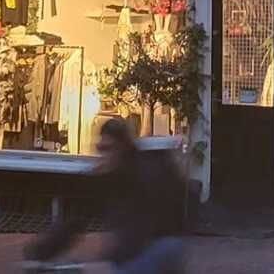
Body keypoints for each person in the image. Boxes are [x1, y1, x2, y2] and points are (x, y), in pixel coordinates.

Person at [26, 116, 186, 272]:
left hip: (160, 244)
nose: (104, 155)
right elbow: (76, 218)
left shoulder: (141, 174)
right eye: (101, 148)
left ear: (123, 148)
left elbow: (142, 226)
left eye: (109, 148)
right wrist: (40, 253)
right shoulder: (105, 177)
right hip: (137, 246)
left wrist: (112, 259)